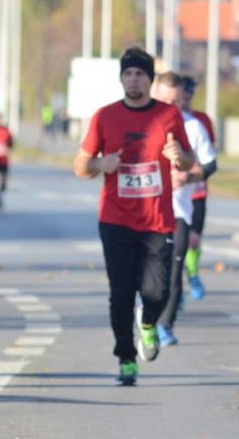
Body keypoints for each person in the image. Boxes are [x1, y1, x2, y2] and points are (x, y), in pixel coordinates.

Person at [73, 47, 194, 385]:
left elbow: (188, 159)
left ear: (150, 80)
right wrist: (100, 164)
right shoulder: (105, 117)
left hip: (157, 221)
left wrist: (178, 155)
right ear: (122, 78)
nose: (134, 79)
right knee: (121, 293)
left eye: (140, 74)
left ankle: (148, 323)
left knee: (158, 292)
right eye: (128, 74)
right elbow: (80, 165)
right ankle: (126, 358)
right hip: (116, 220)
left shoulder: (169, 116)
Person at [152, 72, 216, 347]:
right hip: (143, 212)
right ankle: (146, 313)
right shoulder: (142, 124)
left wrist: (188, 177)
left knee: (174, 269)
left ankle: (165, 325)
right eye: (165, 100)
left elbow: (211, 165)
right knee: (151, 271)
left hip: (179, 210)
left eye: (176, 101)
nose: (171, 106)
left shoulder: (193, 127)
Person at [180, 76, 216, 300]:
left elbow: (210, 154)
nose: (184, 100)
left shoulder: (201, 120)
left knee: (193, 239)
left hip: (197, 189)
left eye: (188, 96)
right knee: (176, 241)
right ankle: (175, 284)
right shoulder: (166, 118)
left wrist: (195, 171)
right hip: (175, 191)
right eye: (181, 96)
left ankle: (192, 273)